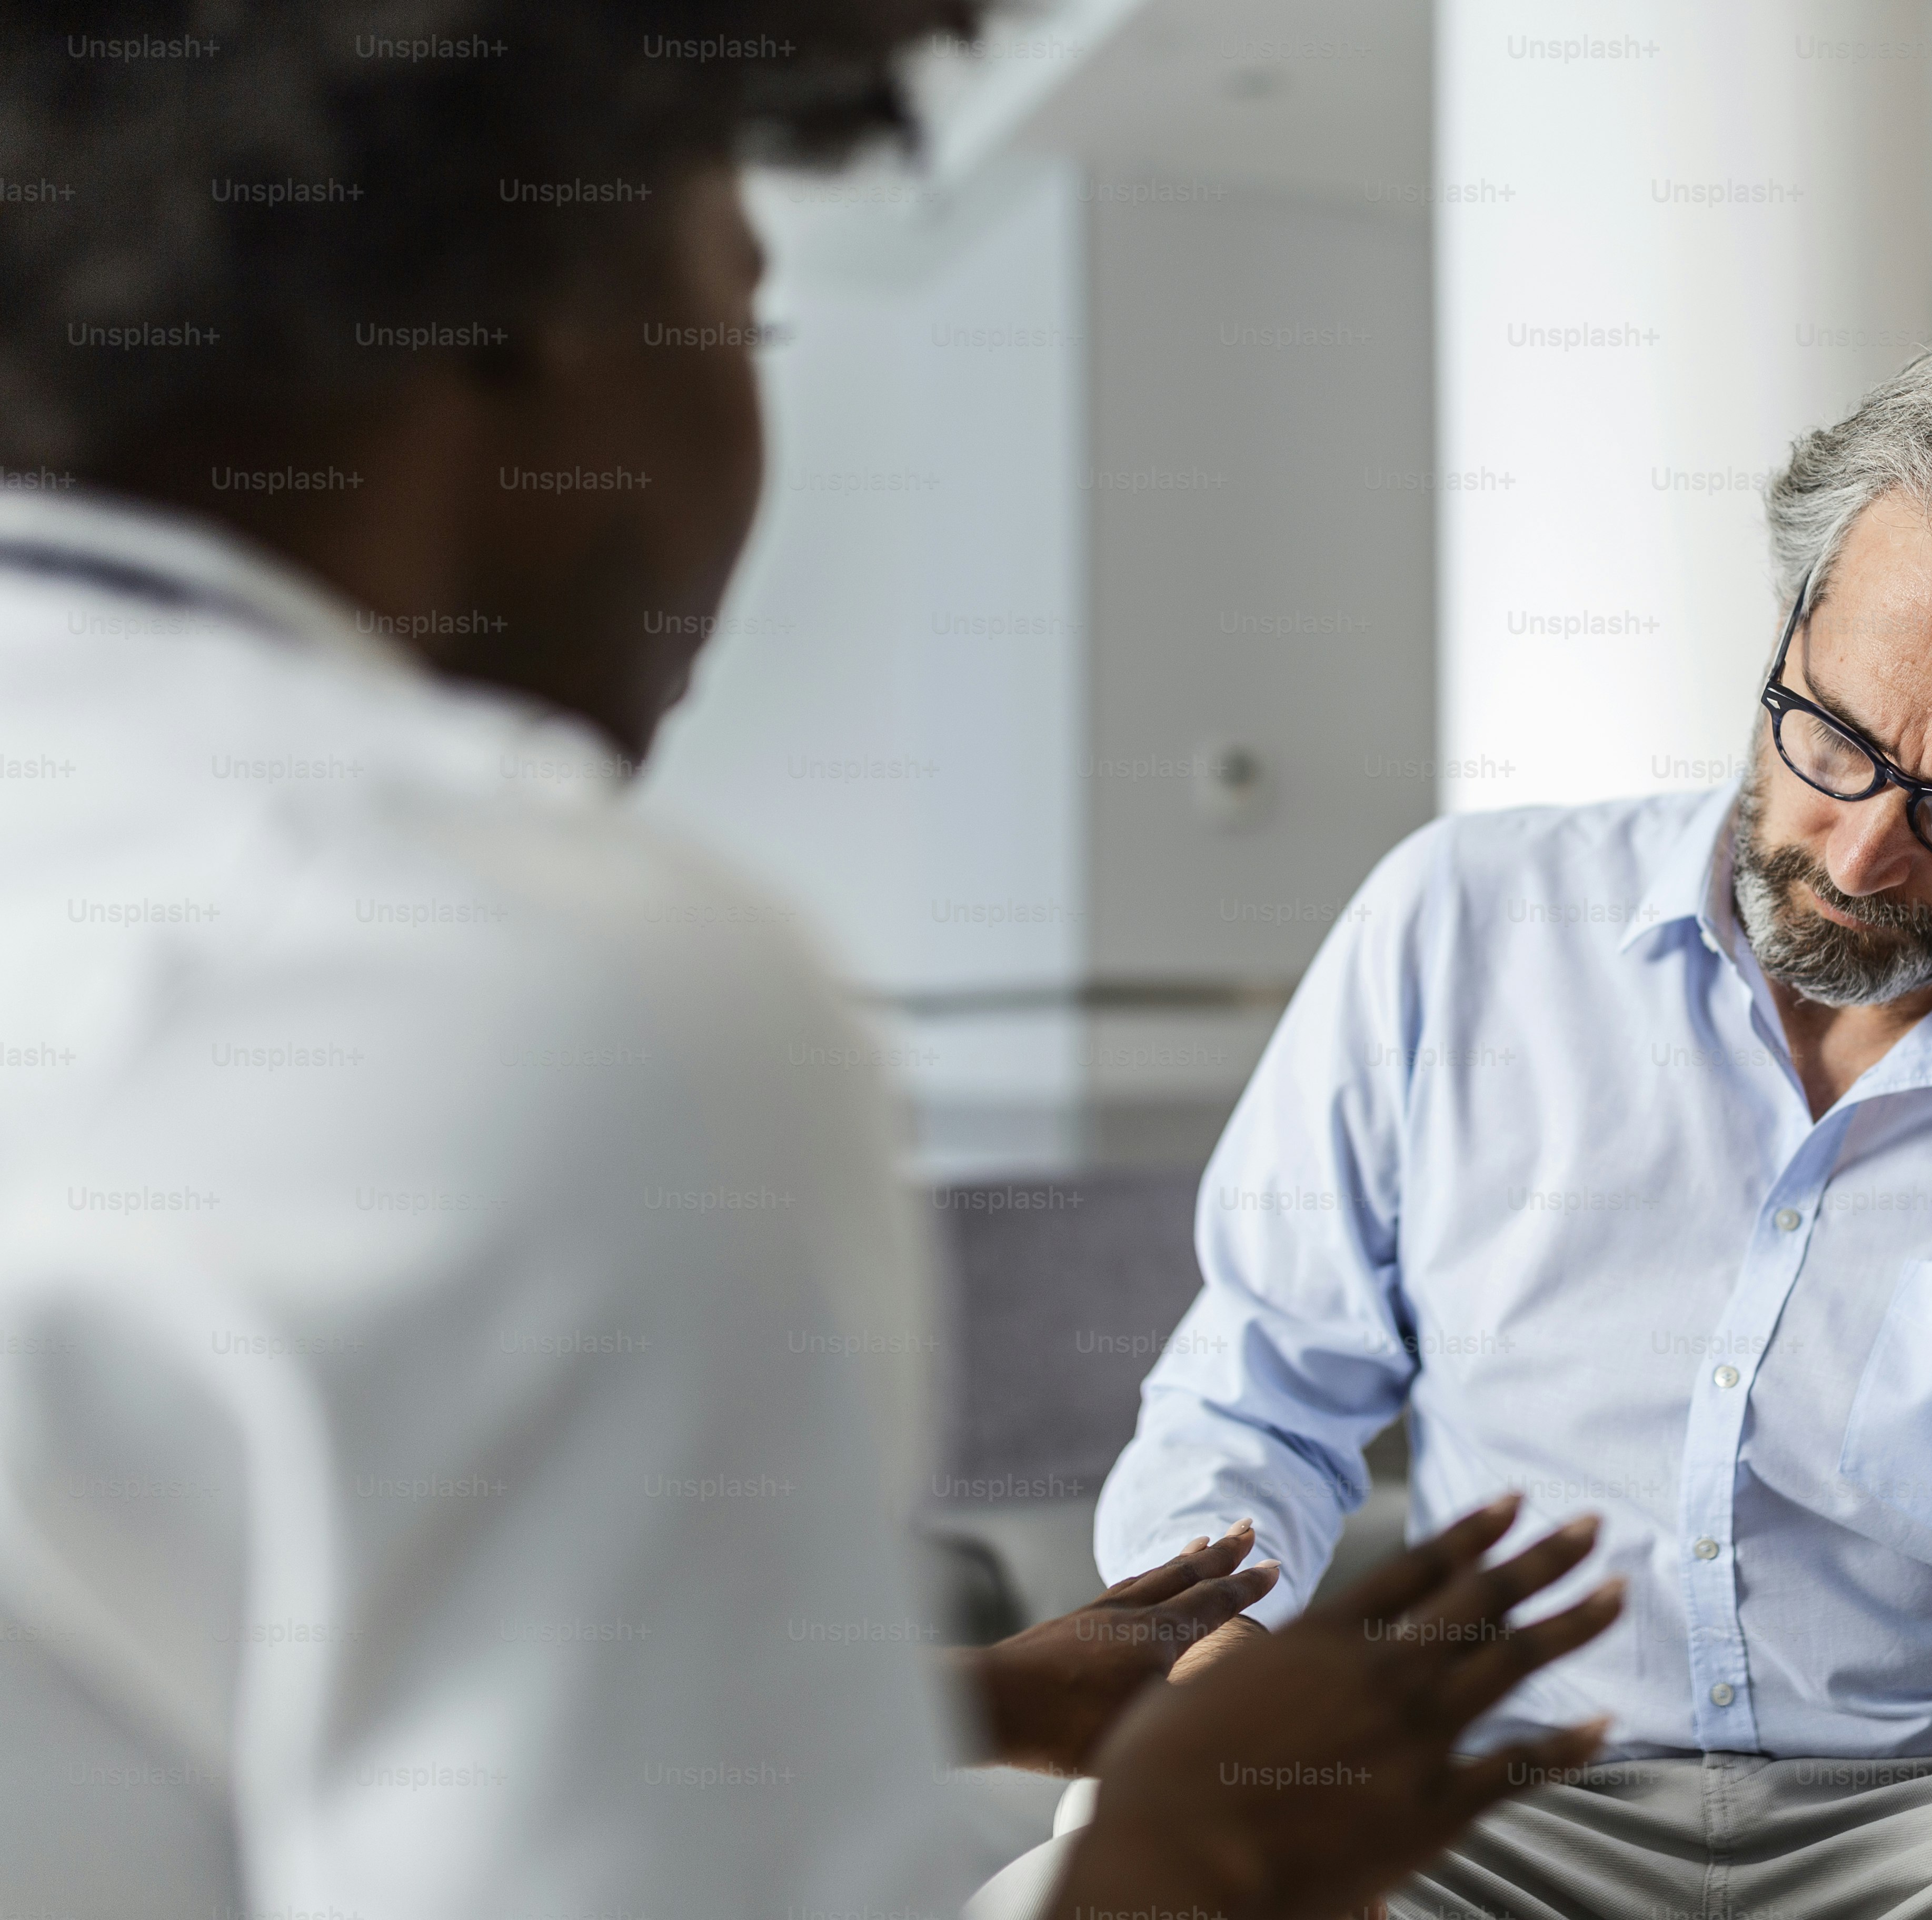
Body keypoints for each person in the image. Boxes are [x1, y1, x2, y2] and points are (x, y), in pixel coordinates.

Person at [0, 7, 1620, 1919]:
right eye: (744, 320)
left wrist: (973, 1692)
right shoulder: (538, 977)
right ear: (531, 311)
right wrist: (1205, 1863)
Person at [1096, 318, 1932, 1918]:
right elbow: (1258, 1394)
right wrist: (1211, 1664)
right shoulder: (1457, 924)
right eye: (1834, 737)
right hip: (1492, 1788)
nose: (1859, 855)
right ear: (1790, 623)